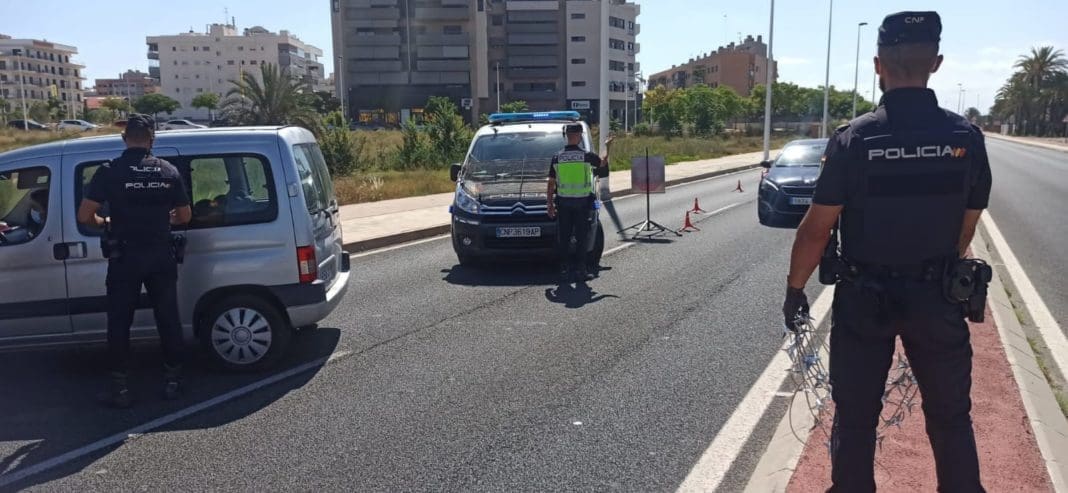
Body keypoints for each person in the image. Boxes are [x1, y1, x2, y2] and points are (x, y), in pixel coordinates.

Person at [783, 12, 991, 492]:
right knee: (951, 416)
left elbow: (816, 230)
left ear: (878, 64)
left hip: (864, 300)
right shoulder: (966, 138)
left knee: (855, 418)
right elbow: (967, 224)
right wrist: (937, 267)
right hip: (938, 297)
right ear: (936, 63)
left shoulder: (855, 139)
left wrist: (795, 290)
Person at [77, 114, 192, 408]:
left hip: (125, 257)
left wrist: (105, 221)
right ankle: (174, 382)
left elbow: (85, 215)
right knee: (168, 318)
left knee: (119, 322)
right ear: (152, 140)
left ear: (124, 138)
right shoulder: (168, 171)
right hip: (160, 255)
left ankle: (121, 389)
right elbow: (184, 216)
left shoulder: (109, 171)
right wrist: (162, 220)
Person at [547, 124, 610, 282]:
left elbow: (551, 183)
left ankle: (564, 269)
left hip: (563, 203)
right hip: (582, 203)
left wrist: (549, 204)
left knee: (564, 237)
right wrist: (607, 148)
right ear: (580, 136)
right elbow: (602, 165)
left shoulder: (557, 157)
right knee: (582, 237)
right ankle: (581, 270)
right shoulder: (586, 156)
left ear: (567, 136)